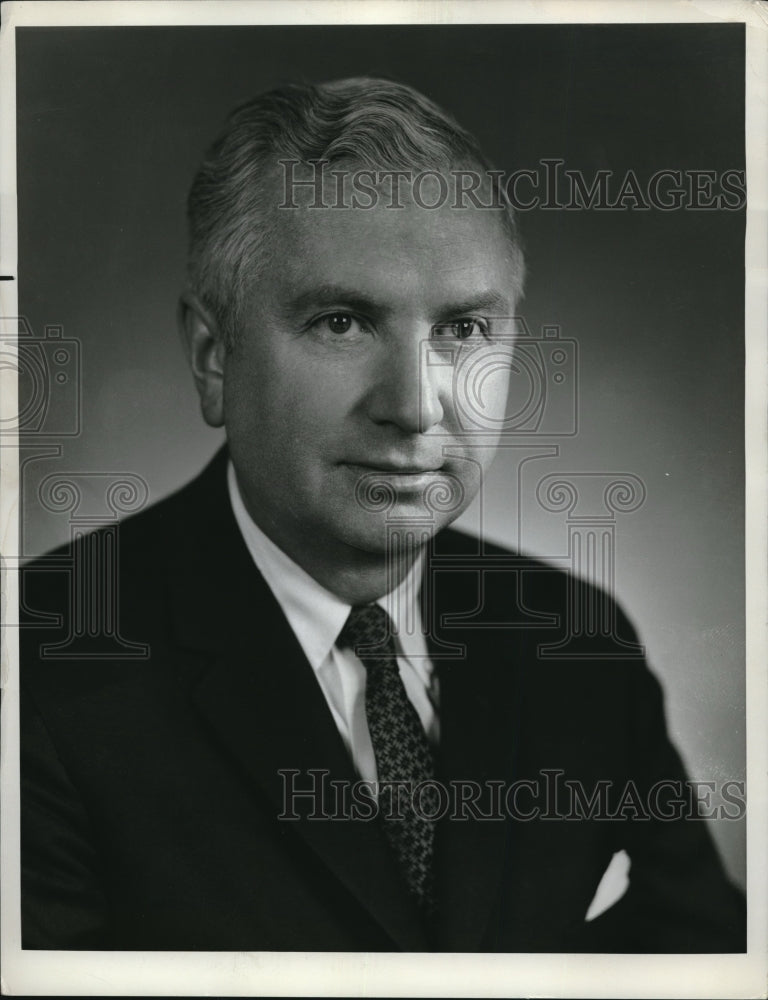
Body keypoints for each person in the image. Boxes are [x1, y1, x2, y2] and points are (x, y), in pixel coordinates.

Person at [19, 77, 745, 952]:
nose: (415, 406)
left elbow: (707, 955)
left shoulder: (577, 639)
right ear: (214, 358)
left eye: (463, 330)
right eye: (341, 322)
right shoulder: (41, 668)